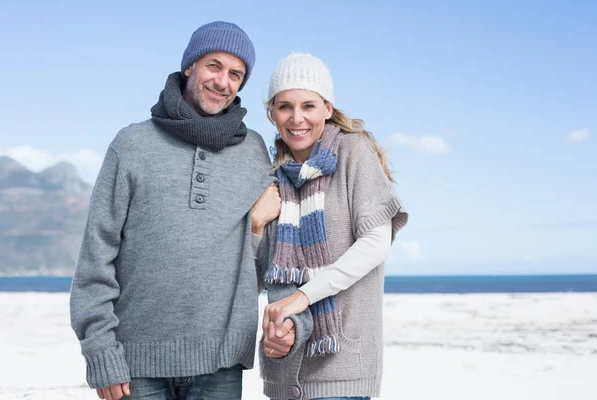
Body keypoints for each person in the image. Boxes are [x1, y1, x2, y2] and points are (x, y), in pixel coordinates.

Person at [69, 21, 290, 400]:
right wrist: (100, 352)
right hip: (135, 366)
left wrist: (253, 227)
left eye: (235, 74)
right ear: (189, 66)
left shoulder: (254, 152)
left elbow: (258, 267)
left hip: (220, 364)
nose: (223, 81)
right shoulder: (132, 144)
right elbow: (96, 257)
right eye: (213, 66)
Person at [255, 53, 409, 400]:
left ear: (327, 108)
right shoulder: (271, 178)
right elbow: (256, 278)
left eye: (308, 105)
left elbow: (375, 243)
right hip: (284, 373)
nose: (297, 118)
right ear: (272, 113)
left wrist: (300, 297)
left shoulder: (354, 153)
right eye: (284, 107)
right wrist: (254, 224)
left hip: (343, 372)